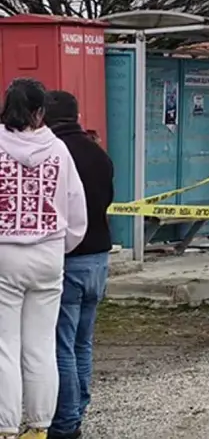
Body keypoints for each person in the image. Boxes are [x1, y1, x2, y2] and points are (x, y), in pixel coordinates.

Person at [0, 78, 88, 439]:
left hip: (5, 251)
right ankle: (39, 426)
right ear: (40, 112)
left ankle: (5, 427)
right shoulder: (59, 150)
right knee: (41, 346)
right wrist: (61, 245)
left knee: (5, 346)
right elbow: (75, 206)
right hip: (49, 252)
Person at [42, 91, 114, 439]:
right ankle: (79, 408)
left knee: (61, 345)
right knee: (83, 342)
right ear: (78, 115)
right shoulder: (98, 155)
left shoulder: (54, 154)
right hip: (100, 258)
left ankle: (66, 422)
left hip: (69, 258)